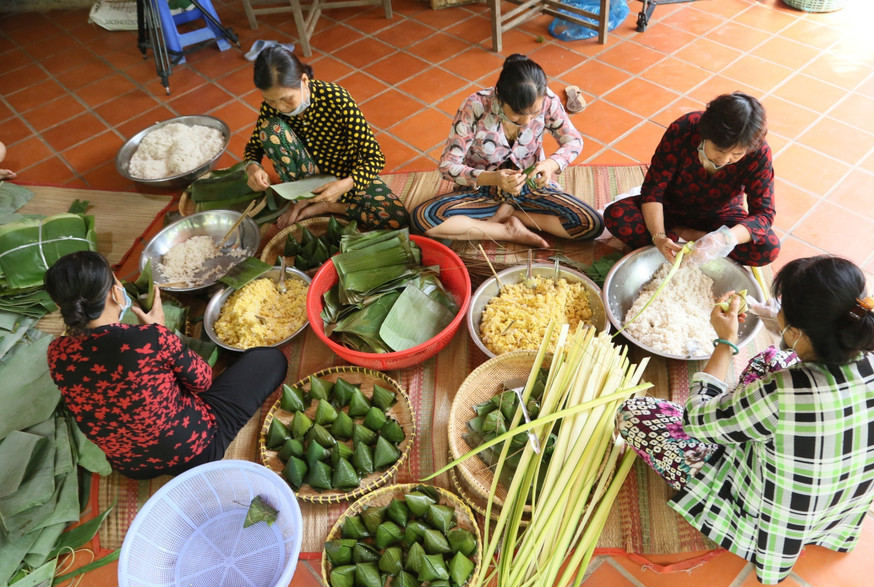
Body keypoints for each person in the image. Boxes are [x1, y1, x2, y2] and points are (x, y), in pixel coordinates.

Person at [616, 255, 874, 584]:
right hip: (834, 509)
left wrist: (724, 343)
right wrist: (779, 323)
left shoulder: (783, 393)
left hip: (767, 519)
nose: (777, 308)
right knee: (774, 357)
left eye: (781, 306)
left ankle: (731, 507)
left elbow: (696, 421)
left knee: (634, 414)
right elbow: (798, 363)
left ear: (798, 332)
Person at [44, 251, 288, 480]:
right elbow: (203, 381)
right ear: (114, 293)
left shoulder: (56, 354)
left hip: (131, 467)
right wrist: (158, 329)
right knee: (271, 360)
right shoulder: (149, 338)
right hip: (197, 453)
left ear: (61, 308)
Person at [410, 54, 602, 248]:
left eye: (534, 114)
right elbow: (447, 166)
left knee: (591, 224)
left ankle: (513, 214)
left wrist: (549, 165)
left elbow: (574, 141)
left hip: (529, 186)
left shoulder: (548, 100)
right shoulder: (475, 107)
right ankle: (506, 231)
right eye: (517, 114)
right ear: (499, 97)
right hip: (483, 191)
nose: (527, 121)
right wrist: (493, 179)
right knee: (424, 218)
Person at [242, 45, 409, 230]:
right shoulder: (270, 107)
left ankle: (327, 206)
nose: (279, 107)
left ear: (304, 80)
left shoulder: (336, 99)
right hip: (305, 178)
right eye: (270, 99)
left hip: (345, 174)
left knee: (396, 218)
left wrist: (344, 185)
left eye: (287, 98)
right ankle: (301, 199)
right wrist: (253, 167)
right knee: (270, 128)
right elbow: (254, 147)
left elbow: (375, 159)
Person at [604, 92, 779, 267]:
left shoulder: (758, 152)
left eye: (736, 154)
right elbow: (652, 191)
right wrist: (658, 236)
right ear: (705, 134)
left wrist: (724, 239)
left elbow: (764, 214)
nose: (724, 160)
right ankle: (674, 238)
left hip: (720, 216)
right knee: (617, 215)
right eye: (719, 149)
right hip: (669, 209)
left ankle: (687, 236)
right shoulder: (685, 128)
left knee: (768, 247)